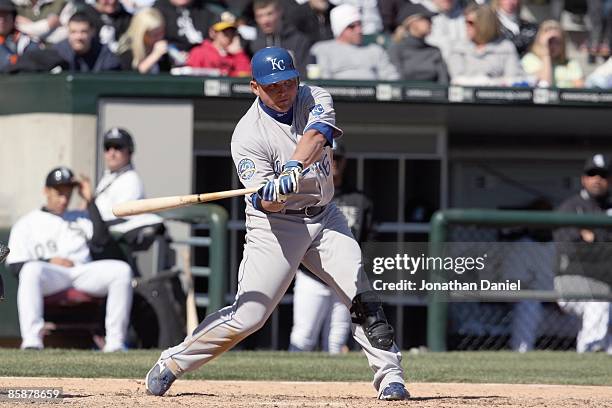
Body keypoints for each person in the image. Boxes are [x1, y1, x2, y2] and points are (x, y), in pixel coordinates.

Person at [145, 46, 409, 401]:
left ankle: (391, 376)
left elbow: (316, 135)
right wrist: (277, 193)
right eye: (273, 86)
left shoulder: (314, 96)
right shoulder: (247, 135)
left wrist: (292, 169)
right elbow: (264, 202)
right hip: (276, 226)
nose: (283, 91)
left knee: (360, 294)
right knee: (249, 317)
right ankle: (174, 361)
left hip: (324, 215)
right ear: (255, 87)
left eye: (288, 82)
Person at [5, 166, 133, 351]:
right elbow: (15, 265)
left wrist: (90, 200)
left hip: (82, 272)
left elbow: (102, 241)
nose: (64, 199)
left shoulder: (81, 217)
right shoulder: (27, 223)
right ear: (46, 191)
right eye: (59, 193)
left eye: (68, 193)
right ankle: (32, 341)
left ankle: (115, 343)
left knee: (121, 271)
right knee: (31, 270)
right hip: (51, 275)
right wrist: (49, 261)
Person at [289, 139, 374, 354]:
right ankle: (294, 386)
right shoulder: (307, 194)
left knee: (336, 342)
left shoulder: (360, 199)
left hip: (343, 277)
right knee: (303, 337)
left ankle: (332, 387)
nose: (334, 162)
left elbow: (368, 239)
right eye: (330, 157)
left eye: (338, 158)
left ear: (345, 162)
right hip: (312, 276)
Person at [554, 154, 612, 354]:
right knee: (599, 300)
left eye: (603, 175)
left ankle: (594, 358)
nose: (597, 179)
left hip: (605, 282)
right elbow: (570, 250)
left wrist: (592, 239)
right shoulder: (570, 208)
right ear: (583, 179)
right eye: (592, 174)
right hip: (573, 282)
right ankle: (590, 353)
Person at [95, 128, 164, 246]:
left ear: (129, 151)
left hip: (115, 245)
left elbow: (121, 217)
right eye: (108, 147)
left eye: (118, 147)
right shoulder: (108, 177)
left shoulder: (131, 180)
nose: (112, 153)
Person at [309, 4, 399, 80]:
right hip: (337, 98)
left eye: (360, 24)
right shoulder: (322, 49)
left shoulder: (375, 50)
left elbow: (391, 78)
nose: (358, 30)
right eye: (352, 26)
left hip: (374, 100)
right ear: (339, 29)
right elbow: (322, 82)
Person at [447, 3, 525, 86]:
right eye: (465, 21)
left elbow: (512, 79)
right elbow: (457, 79)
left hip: (498, 96)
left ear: (484, 24)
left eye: (470, 22)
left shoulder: (506, 48)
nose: (466, 26)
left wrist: (488, 83)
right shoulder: (459, 48)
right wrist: (482, 82)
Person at [245, 0, 311, 77]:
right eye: (260, 16)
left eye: (269, 14)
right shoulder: (252, 43)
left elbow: (304, 73)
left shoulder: (299, 40)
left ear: (280, 12)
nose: (265, 20)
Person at [388, 2, 449, 83]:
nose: (431, 23)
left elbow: (444, 83)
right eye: (427, 19)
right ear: (412, 22)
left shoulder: (435, 51)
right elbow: (397, 80)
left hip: (435, 95)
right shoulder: (396, 49)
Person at [521, 20, 584, 89]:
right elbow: (544, 84)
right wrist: (546, 54)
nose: (553, 46)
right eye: (550, 41)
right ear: (540, 41)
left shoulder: (571, 64)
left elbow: (580, 90)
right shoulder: (529, 60)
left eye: (557, 42)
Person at [186, 12, 251, 76]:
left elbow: (245, 77)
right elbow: (191, 79)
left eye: (232, 31)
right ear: (212, 32)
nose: (229, 35)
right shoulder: (199, 52)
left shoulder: (236, 55)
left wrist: (239, 54)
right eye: (224, 31)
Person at [54, 11, 121, 72]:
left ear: (92, 32)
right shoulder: (59, 51)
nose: (78, 37)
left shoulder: (105, 55)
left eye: (83, 32)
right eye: (73, 32)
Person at [117, 7, 172, 73]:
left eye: (161, 32)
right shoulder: (126, 51)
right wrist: (155, 55)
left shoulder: (162, 50)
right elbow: (132, 77)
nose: (159, 38)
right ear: (141, 35)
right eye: (155, 35)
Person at [0, 0, 39, 73]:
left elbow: (35, 62)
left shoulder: (26, 41)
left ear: (13, 18)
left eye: (5, 16)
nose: (2, 20)